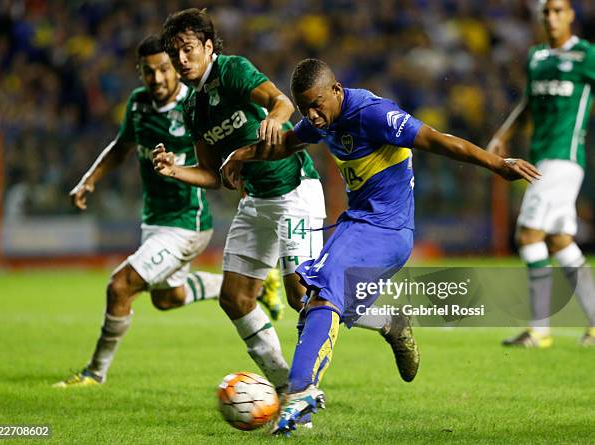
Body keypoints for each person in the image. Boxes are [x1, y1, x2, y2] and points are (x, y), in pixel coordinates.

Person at [219, 58, 540, 434]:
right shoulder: (323, 119)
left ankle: (301, 393)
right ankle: (390, 324)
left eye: (317, 104)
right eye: (304, 107)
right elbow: (286, 144)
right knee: (314, 306)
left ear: (336, 90)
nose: (312, 115)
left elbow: (436, 139)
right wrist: (241, 154)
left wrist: (496, 163)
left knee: (322, 293)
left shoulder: (373, 114)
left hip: (386, 228)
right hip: (361, 224)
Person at [154, 9, 417, 395]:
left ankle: (388, 322)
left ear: (208, 48)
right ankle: (282, 388)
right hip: (255, 201)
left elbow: (281, 102)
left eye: (188, 48)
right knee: (234, 297)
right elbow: (214, 175)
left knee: (303, 297)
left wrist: (275, 119)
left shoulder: (232, 71)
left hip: (295, 191)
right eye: (175, 52)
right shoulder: (193, 109)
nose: (181, 59)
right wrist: (175, 169)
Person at [53, 35, 282, 388]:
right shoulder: (137, 103)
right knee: (167, 298)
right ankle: (258, 284)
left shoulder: (197, 103)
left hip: (186, 223)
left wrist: (190, 166)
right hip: (154, 221)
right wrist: (89, 180)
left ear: (175, 67)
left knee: (120, 286)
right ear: (139, 73)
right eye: (149, 72)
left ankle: (94, 373)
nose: (157, 79)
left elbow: (218, 159)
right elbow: (122, 146)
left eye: (163, 69)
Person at [488, 0, 595, 348]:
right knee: (559, 240)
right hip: (543, 156)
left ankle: (539, 330)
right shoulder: (537, 57)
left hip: (564, 157)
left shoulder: (587, 56)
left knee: (528, 233)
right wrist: (503, 134)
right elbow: (529, 103)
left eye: (558, 10)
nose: (551, 17)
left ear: (570, 15)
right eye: (546, 12)